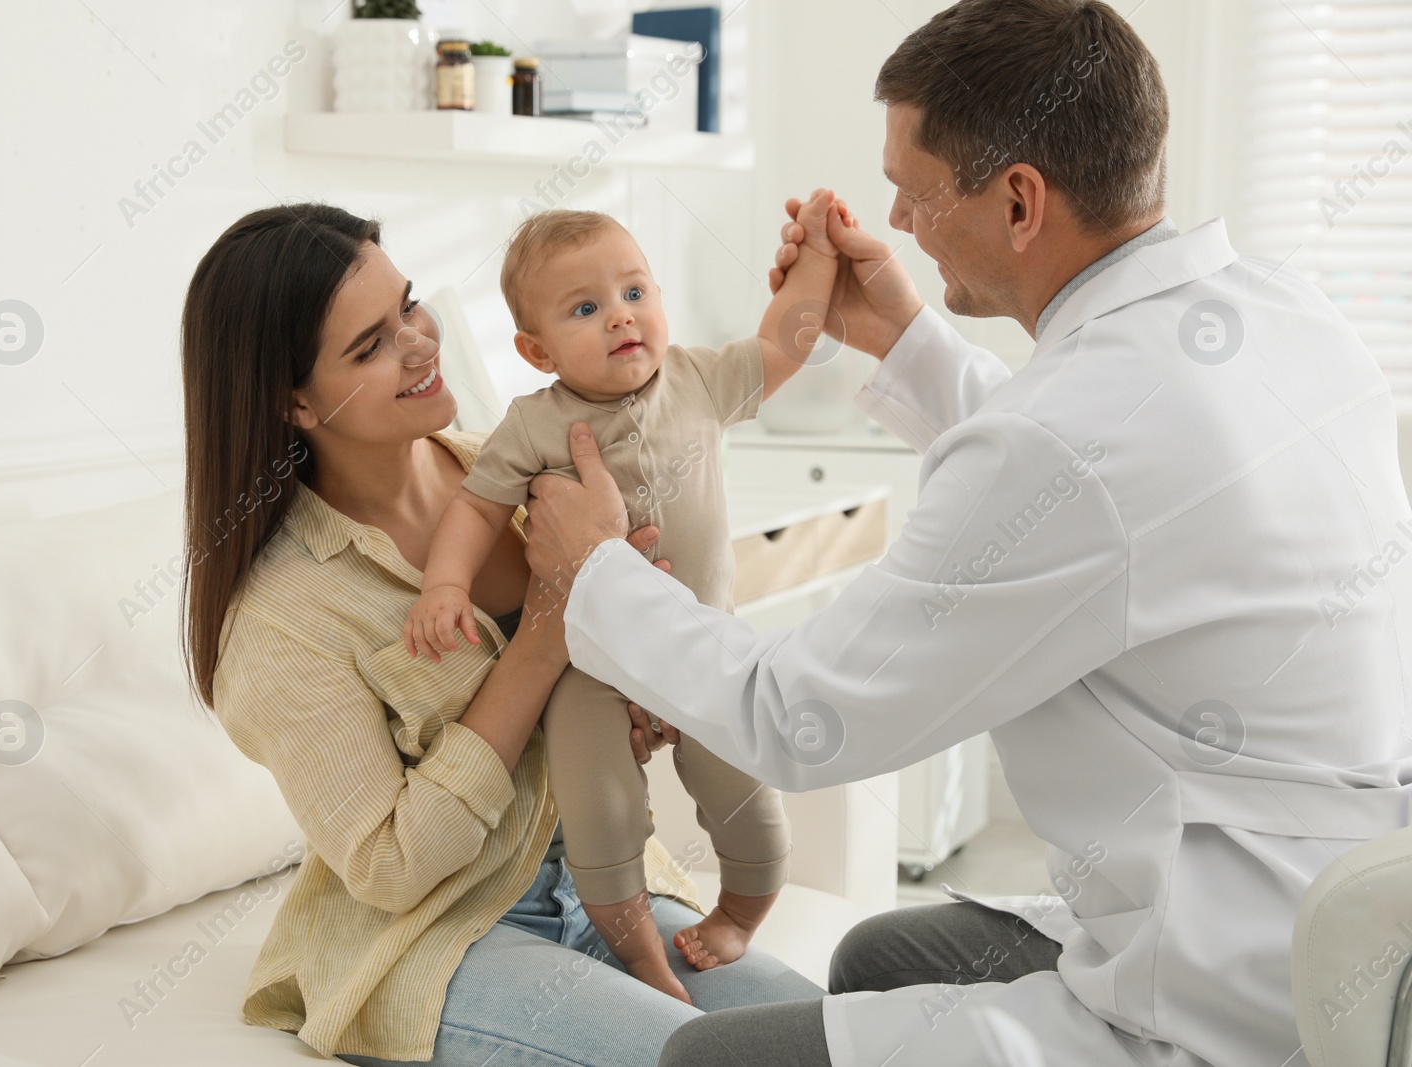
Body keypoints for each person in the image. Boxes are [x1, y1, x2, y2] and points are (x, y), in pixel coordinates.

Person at [519, 1, 1412, 1064]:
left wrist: (595, 573)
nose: (894, 218)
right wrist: (903, 336)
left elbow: (794, 717)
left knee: (700, 1060)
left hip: (1229, 992)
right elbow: (1104, 491)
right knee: (881, 956)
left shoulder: (1067, 438)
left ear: (1019, 201)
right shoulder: (1274, 309)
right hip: (1331, 894)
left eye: (912, 185)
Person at [177, 202, 825, 1067]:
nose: (417, 342)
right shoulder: (283, 616)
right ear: (293, 402)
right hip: (440, 936)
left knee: (828, 1036)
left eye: (407, 304)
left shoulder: (524, 463)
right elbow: (390, 866)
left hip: (606, 886)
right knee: (704, 1061)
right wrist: (551, 626)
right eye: (369, 345)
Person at [403, 196, 842, 1000]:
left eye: (635, 292)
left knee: (747, 795)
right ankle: (639, 949)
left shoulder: (699, 379)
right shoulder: (535, 424)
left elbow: (788, 340)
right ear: (535, 349)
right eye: (586, 307)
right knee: (600, 813)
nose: (619, 318)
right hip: (590, 666)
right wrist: (445, 583)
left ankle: (741, 911)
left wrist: (818, 253)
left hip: (704, 647)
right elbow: (476, 506)